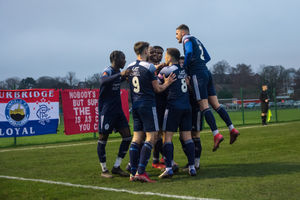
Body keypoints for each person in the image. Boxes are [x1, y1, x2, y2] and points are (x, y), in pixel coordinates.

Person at [176, 24, 240, 151]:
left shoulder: (186, 39)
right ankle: (231, 128)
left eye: (177, 34)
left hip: (197, 74)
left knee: (204, 106)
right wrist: (199, 65)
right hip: (206, 72)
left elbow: (188, 52)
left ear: (183, 33)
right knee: (216, 105)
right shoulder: (197, 39)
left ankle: (216, 134)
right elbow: (208, 56)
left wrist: (186, 68)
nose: (176, 37)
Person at [127, 41, 176, 182]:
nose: (151, 52)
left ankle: (133, 172)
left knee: (136, 139)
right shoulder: (149, 67)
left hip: (135, 105)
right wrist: (167, 83)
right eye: (149, 50)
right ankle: (141, 172)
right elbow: (158, 89)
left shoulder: (130, 66)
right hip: (148, 105)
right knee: (152, 137)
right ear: (144, 51)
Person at [158, 48, 196, 178]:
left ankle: (168, 168)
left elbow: (156, 85)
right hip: (187, 107)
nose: (164, 58)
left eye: (165, 56)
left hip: (173, 107)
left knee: (167, 137)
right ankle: (192, 167)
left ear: (169, 57)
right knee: (187, 137)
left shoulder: (166, 70)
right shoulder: (183, 70)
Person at [97, 50, 132, 178]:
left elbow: (120, 78)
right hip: (106, 111)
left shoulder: (117, 72)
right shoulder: (109, 70)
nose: (125, 61)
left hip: (118, 111)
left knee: (127, 137)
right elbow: (103, 81)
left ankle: (117, 166)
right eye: (123, 59)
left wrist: (125, 77)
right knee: (103, 139)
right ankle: (104, 170)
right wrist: (120, 75)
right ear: (116, 59)